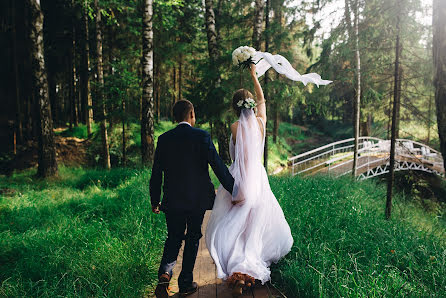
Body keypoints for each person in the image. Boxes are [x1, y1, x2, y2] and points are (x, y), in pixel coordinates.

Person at [205, 64, 294, 296]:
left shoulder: (235, 127)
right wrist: (254, 76)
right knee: (254, 225)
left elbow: (241, 161)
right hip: (259, 179)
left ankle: (239, 272)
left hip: (241, 178)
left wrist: (238, 190)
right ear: (252, 105)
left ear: (234, 108)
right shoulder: (261, 124)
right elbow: (263, 101)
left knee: (235, 226)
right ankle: (246, 269)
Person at [150, 100, 235, 297]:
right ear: (192, 114)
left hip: (172, 200)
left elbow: (156, 174)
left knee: (173, 237)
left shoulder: (164, 139)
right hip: (197, 200)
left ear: (174, 117)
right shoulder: (202, 136)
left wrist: (155, 200)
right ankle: (186, 283)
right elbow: (218, 166)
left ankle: (164, 274)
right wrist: (234, 190)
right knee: (193, 237)